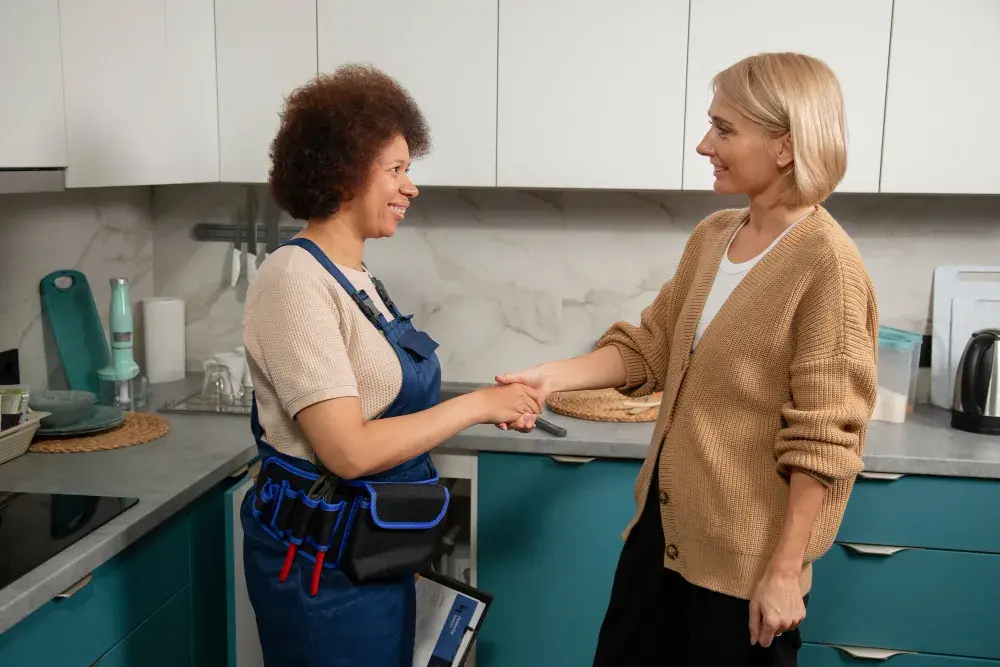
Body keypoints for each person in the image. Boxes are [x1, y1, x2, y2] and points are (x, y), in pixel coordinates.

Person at [497, 52, 878, 666]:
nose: (705, 144)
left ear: (785, 145)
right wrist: (549, 378)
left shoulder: (828, 268)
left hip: (745, 568)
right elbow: (649, 347)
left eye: (724, 129)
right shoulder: (714, 235)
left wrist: (785, 572)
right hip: (660, 539)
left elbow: (824, 441)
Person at [240, 64, 540, 667]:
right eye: (397, 170)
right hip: (321, 570)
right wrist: (477, 405)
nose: (411, 187)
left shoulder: (356, 278)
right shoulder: (294, 279)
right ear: (344, 172)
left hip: (374, 551)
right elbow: (348, 452)